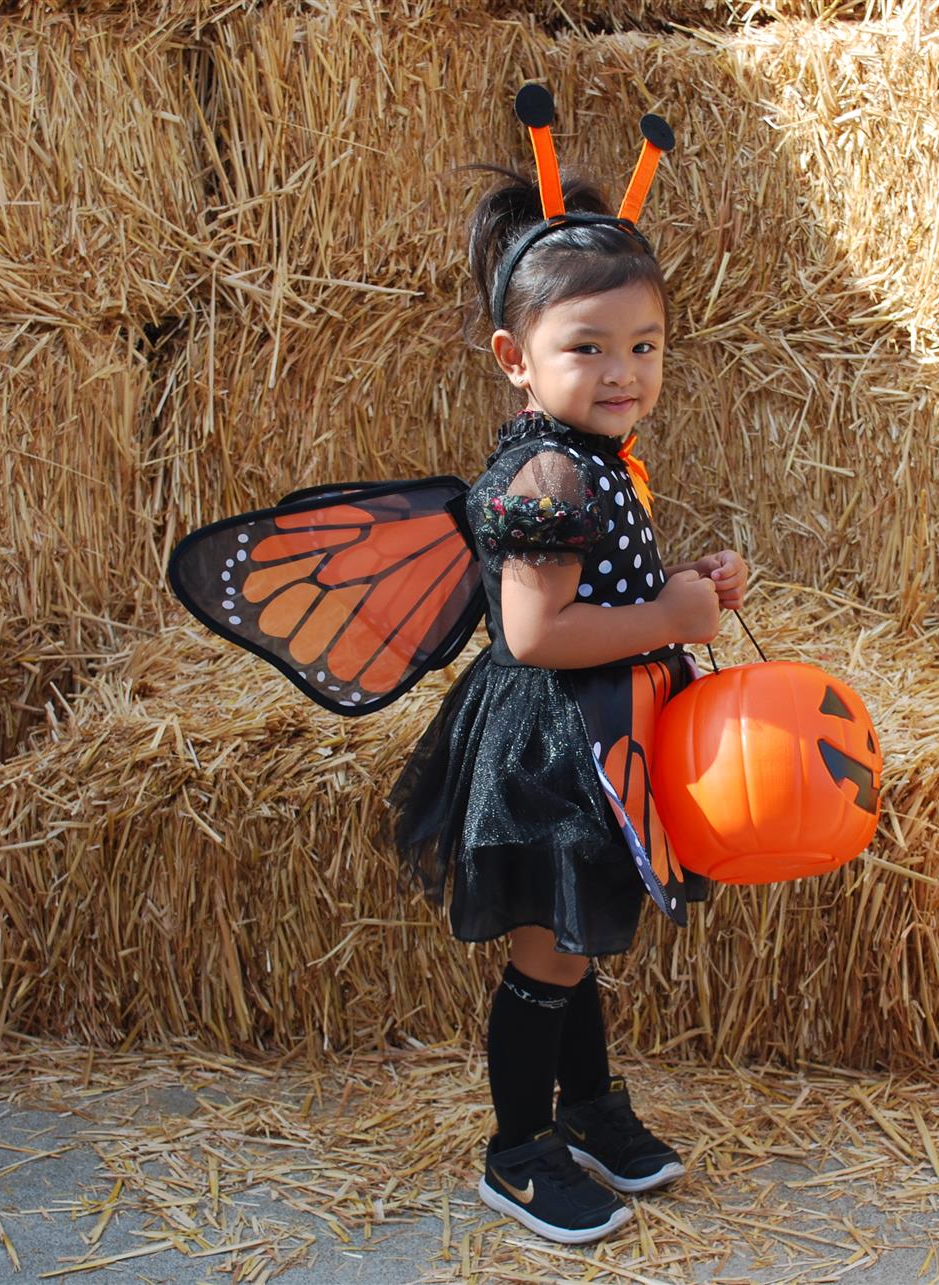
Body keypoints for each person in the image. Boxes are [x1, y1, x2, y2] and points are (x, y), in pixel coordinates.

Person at [387, 162, 748, 1245]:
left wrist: (685, 584)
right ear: (516, 361)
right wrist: (672, 619)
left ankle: (587, 1108)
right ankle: (519, 1150)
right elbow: (537, 632)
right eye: (587, 348)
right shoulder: (547, 478)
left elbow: (607, 593)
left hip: (605, 733)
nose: (623, 370)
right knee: (547, 950)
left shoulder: (599, 459)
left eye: (645, 346)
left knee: (579, 936)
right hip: (548, 749)